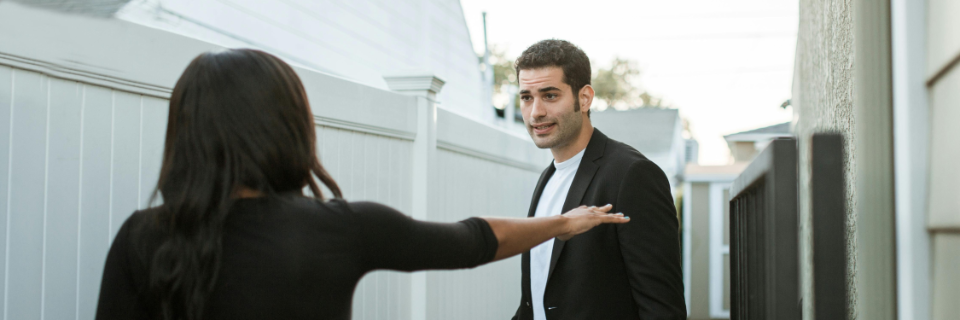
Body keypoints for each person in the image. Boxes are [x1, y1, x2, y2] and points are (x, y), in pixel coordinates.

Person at [93, 48, 629, 320]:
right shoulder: (340, 229)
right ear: (287, 125)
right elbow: (472, 240)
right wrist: (562, 222)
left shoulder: (143, 237)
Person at [510, 39, 687, 320]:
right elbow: (537, 294)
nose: (536, 112)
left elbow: (662, 307)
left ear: (584, 98)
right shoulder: (548, 177)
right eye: (527, 97)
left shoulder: (632, 175)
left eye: (550, 95)